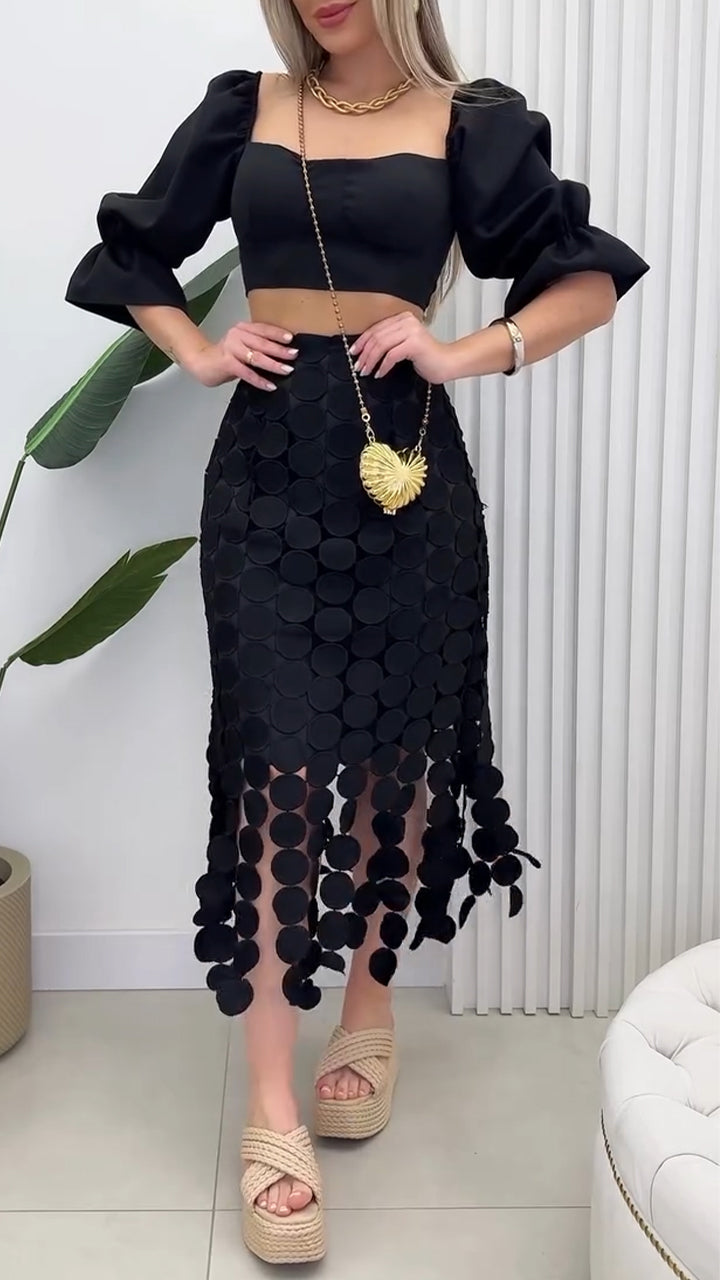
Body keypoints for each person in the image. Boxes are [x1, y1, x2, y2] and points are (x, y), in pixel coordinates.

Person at [65, 0, 649, 1264]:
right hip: (265, 476)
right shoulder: (246, 107)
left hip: (407, 474)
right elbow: (130, 251)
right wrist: (200, 349)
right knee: (275, 773)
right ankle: (271, 1102)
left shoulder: (473, 123)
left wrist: (464, 350)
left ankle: (369, 1007)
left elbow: (586, 282)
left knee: (395, 761)